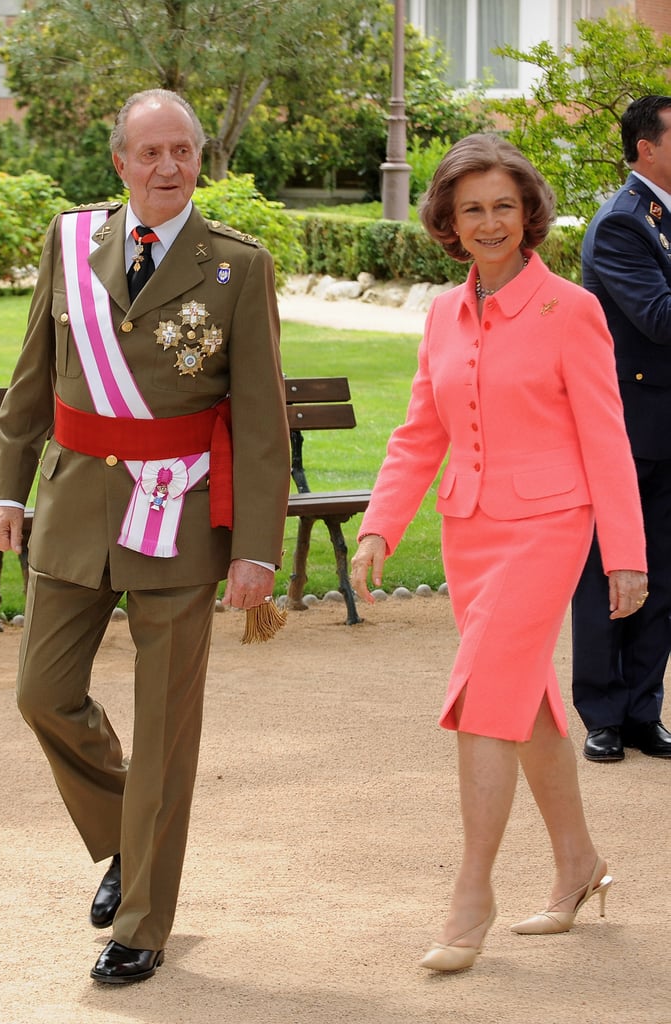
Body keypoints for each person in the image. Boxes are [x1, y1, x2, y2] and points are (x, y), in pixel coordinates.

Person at [0, 89, 290, 985]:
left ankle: (144, 925)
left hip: (181, 519)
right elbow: (33, 374)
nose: (167, 167)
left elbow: (263, 421)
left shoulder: (238, 267)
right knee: (42, 694)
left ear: (201, 160)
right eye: (149, 152)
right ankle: (129, 832)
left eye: (182, 152)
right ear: (118, 161)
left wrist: (255, 549)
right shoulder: (71, 242)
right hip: (78, 505)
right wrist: (7, 489)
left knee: (164, 732)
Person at [350, 134, 647, 973]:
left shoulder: (572, 311)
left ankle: (469, 894)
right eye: (471, 209)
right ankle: (577, 865)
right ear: (447, 220)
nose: (487, 223)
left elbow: (606, 439)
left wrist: (624, 554)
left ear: (529, 216)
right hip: (469, 531)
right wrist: (379, 524)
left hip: (552, 524)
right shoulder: (442, 312)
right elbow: (419, 431)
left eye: (503, 208)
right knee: (531, 704)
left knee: (483, 692)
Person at [571, 95, 671, 763]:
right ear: (646, 147)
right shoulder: (621, 224)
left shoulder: (661, 217)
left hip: (665, 427)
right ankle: (601, 712)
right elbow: (659, 319)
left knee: (661, 574)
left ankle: (641, 710)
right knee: (607, 571)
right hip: (623, 430)